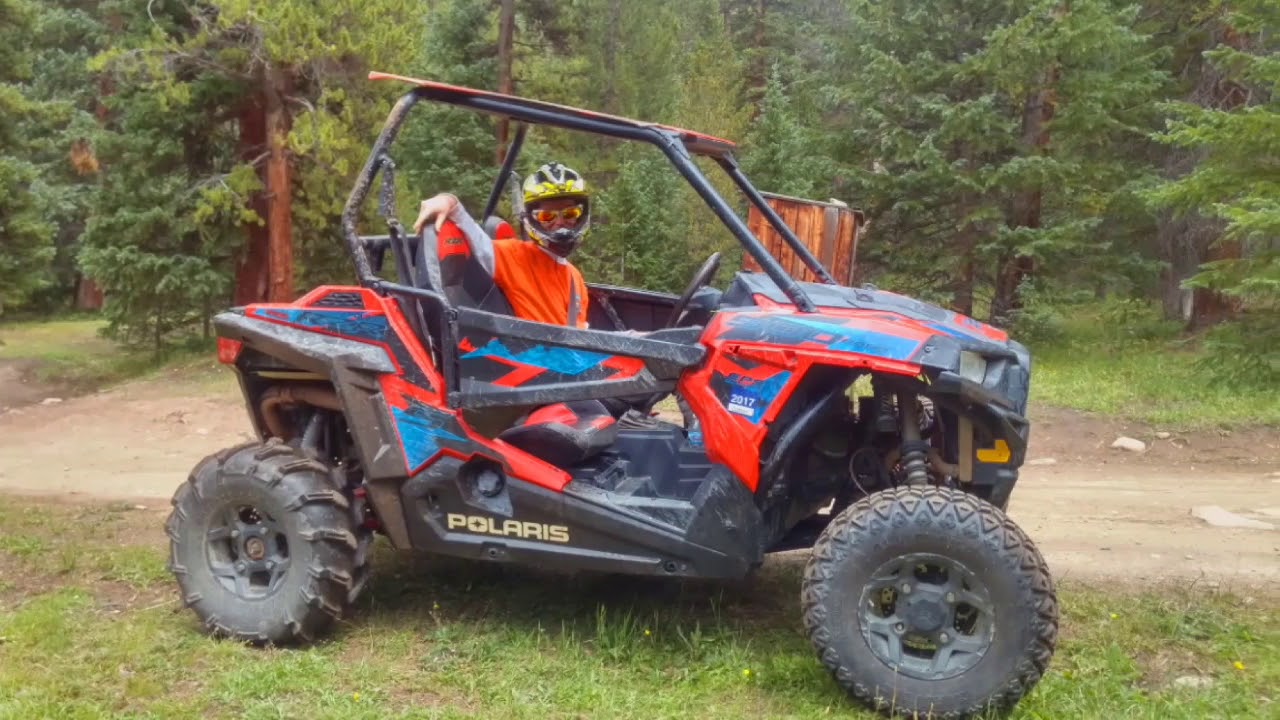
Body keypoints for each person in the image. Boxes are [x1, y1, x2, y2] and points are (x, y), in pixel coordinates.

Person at [413, 162, 592, 328]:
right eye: (547, 216)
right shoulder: (515, 256)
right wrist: (449, 202)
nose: (560, 223)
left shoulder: (575, 277)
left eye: (570, 214)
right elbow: (477, 240)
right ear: (532, 219)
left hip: (565, 352)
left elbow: (579, 335)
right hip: (527, 351)